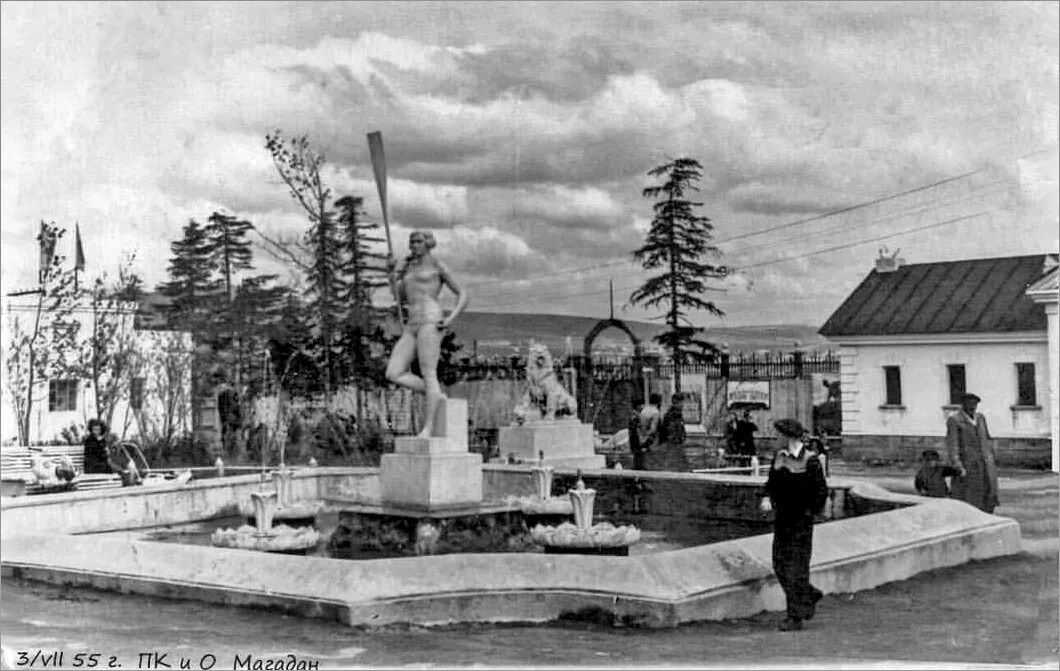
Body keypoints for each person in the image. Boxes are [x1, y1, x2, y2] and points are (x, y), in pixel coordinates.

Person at [385, 230, 469, 438]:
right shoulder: (408, 269)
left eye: (418, 241)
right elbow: (399, 295)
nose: (414, 245)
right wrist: (392, 273)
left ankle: (429, 427)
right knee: (393, 372)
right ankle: (435, 394)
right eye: (411, 241)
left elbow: (463, 293)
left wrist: (449, 319)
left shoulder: (438, 266)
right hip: (411, 323)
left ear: (428, 243)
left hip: (431, 320)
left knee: (428, 372)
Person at [759, 418, 829, 632]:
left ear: (788, 436)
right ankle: (808, 594)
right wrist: (766, 497)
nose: (775, 438)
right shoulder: (779, 458)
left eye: (778, 434)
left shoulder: (811, 460)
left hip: (801, 521)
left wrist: (809, 513)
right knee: (779, 564)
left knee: (796, 567)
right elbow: (771, 484)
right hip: (783, 519)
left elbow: (821, 491)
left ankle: (794, 617)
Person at [945, 393, 999, 513]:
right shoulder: (955, 420)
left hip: (984, 465)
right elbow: (953, 445)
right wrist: (958, 466)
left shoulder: (980, 418)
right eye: (969, 404)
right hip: (968, 466)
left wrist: (991, 457)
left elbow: (987, 438)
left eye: (974, 404)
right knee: (969, 498)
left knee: (988, 495)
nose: (972, 407)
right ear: (963, 404)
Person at [214, 371, 242, 458]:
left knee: (228, 437)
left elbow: (232, 406)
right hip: (230, 419)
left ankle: (230, 454)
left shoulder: (225, 392)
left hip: (229, 419)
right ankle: (230, 453)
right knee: (229, 437)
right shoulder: (229, 392)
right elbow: (235, 406)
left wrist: (228, 417)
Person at [637, 393, 663, 465]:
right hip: (651, 440)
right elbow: (653, 428)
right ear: (659, 402)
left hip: (642, 437)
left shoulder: (644, 411)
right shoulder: (655, 412)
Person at [628, 398, 646, 470]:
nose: (643, 407)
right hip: (636, 440)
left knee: (637, 456)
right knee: (638, 456)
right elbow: (638, 430)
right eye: (642, 405)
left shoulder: (635, 415)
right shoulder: (635, 416)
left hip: (634, 440)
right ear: (638, 406)